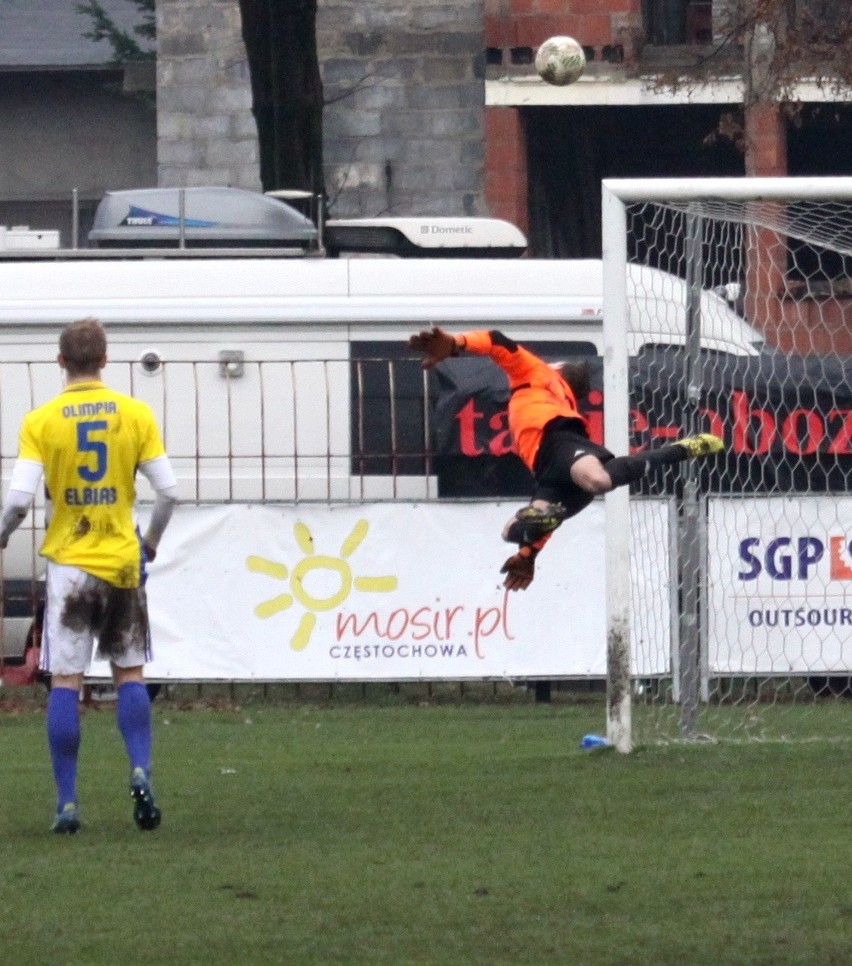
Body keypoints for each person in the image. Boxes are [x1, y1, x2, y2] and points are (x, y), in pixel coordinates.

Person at [0, 318, 178, 834]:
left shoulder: (41, 421)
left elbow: (17, 502)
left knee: (65, 681)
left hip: (70, 565)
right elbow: (170, 493)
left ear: (61, 362)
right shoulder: (135, 413)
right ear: (105, 360)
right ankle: (140, 768)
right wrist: (149, 545)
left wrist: (4, 533)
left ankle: (68, 804)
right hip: (122, 560)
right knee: (129, 673)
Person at [408, 327, 723, 591]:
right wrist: (529, 554)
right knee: (512, 530)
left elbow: (496, 340)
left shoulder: (539, 374)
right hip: (548, 474)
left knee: (596, 480)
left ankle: (682, 449)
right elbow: (498, 342)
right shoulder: (558, 392)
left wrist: (456, 343)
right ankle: (535, 534)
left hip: (556, 442)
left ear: (556, 368)